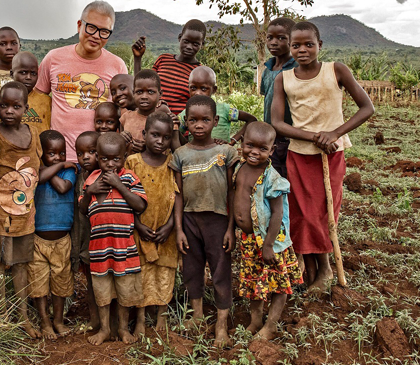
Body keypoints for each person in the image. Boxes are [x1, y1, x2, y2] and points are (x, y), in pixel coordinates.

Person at [271, 21, 374, 292]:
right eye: (296, 45)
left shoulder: (336, 70)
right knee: (302, 215)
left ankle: (325, 269)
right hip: (299, 154)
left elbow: (367, 108)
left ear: (320, 46)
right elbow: (278, 123)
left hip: (331, 155)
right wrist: (314, 137)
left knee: (326, 211)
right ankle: (310, 268)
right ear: (289, 47)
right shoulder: (284, 78)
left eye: (308, 44)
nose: (302, 50)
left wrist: (334, 133)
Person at [172, 95, 239, 348]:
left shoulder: (226, 152)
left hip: (218, 220)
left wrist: (231, 228)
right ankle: (197, 315)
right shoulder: (180, 155)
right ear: (185, 122)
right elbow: (177, 195)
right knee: (191, 270)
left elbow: (232, 192)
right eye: (193, 120)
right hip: (189, 220)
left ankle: (222, 323)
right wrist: (179, 229)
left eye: (205, 120)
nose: (199, 125)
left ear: (215, 121)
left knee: (221, 271)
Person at [0, 81, 42, 337]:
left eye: (16, 106)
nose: (9, 111)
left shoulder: (33, 134)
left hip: (25, 215)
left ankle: (23, 319)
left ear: (26, 108)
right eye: (4, 105)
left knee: (20, 265)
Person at [234, 122, 302, 340]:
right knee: (254, 281)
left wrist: (269, 245)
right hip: (249, 240)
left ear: (271, 151)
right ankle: (256, 320)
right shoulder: (239, 168)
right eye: (250, 145)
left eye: (262, 149)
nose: (254, 152)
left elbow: (277, 215)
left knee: (278, 282)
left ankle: (271, 324)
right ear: (242, 143)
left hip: (271, 242)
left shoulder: (272, 179)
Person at [36, 1, 128, 162]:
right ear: (79, 25)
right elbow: (37, 99)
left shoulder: (117, 66)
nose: (96, 36)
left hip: (100, 161)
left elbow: (124, 111)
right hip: (58, 159)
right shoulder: (53, 58)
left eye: (104, 31)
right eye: (91, 27)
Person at [79, 132, 147, 346]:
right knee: (102, 291)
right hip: (99, 248)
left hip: (123, 247)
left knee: (125, 291)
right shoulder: (91, 180)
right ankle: (105, 329)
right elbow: (83, 210)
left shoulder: (129, 177)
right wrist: (90, 192)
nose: (110, 164)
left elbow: (141, 205)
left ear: (124, 156)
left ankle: (123, 329)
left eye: (115, 159)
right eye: (104, 159)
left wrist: (119, 185)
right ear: (98, 157)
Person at [125, 112, 178, 338]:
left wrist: (171, 226)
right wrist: (137, 224)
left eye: (166, 137)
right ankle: (139, 319)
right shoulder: (132, 162)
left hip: (166, 230)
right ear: (145, 134)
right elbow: (124, 198)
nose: (160, 141)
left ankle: (162, 315)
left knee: (165, 272)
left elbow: (179, 197)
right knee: (141, 273)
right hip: (140, 229)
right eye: (155, 135)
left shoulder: (173, 163)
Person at [28, 130, 78, 339]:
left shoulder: (70, 172)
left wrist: (54, 168)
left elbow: (62, 188)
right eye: (52, 154)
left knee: (61, 282)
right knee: (38, 283)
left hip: (62, 241)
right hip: (37, 239)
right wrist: (58, 166)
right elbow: (38, 178)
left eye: (62, 153)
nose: (58, 157)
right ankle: (44, 320)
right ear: (41, 154)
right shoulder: (38, 170)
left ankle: (58, 319)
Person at [132, 19, 206, 114]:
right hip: (151, 122)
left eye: (195, 44)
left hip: (178, 125)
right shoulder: (163, 59)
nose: (189, 47)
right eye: (186, 41)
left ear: (202, 44)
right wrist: (137, 58)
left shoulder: (199, 72)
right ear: (180, 38)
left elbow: (198, 104)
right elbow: (142, 85)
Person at [70, 131, 101, 332]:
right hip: (85, 239)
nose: (86, 157)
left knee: (103, 283)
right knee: (91, 282)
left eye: (92, 151)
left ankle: (109, 321)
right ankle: (95, 319)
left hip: (103, 240)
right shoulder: (78, 177)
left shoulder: (105, 176)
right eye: (80, 154)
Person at [177, 66, 257, 145]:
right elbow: (177, 135)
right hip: (196, 157)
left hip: (222, 156)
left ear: (214, 90)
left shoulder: (225, 110)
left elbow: (251, 120)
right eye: (193, 88)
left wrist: (233, 140)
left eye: (203, 89)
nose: (197, 93)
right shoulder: (186, 113)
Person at [259, 17, 297, 177]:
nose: (274, 42)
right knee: (272, 177)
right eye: (270, 38)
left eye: (281, 38)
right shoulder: (267, 69)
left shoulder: (298, 68)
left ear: (292, 41)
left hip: (292, 137)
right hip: (271, 137)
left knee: (291, 177)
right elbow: (266, 99)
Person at [119, 69, 164, 154]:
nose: (144, 96)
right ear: (133, 93)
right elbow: (119, 144)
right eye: (139, 92)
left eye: (150, 92)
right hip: (128, 165)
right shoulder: (126, 117)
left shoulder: (162, 121)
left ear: (160, 94)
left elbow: (169, 149)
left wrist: (148, 148)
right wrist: (121, 138)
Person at [11, 51, 51, 137]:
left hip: (40, 149)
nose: (28, 77)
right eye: (23, 72)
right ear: (11, 74)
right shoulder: (4, 100)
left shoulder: (46, 101)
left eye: (33, 73)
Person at [0, 27, 21, 94]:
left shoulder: (26, 73)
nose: (9, 47)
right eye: (3, 44)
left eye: (14, 43)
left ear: (19, 46)